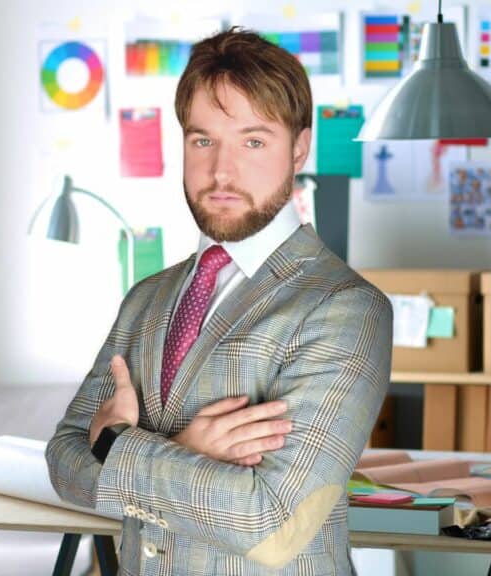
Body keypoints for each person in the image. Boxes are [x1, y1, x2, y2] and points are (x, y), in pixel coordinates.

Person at [46, 27, 393, 575]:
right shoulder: (146, 298)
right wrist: (186, 449)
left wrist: (117, 444)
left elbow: (274, 523)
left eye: (253, 141)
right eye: (202, 140)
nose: (221, 172)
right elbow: (62, 458)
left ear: (300, 147)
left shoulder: (344, 306)